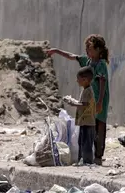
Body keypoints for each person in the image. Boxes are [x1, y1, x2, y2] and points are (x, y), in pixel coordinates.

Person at [47, 34, 110, 165]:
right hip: (90, 99)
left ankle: (98, 155)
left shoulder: (101, 64)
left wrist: (99, 102)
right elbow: (72, 56)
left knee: (100, 125)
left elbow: (103, 83)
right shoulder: (87, 61)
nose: (87, 51)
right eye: (86, 49)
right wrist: (56, 51)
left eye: (90, 49)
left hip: (99, 99)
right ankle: (89, 154)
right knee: (90, 126)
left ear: (98, 50)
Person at [65, 67, 96, 165]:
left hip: (88, 122)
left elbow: (85, 104)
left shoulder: (88, 91)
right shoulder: (85, 90)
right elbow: (82, 103)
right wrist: (73, 101)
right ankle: (81, 160)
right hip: (84, 121)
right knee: (81, 142)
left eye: (78, 79)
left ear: (85, 80)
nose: (77, 81)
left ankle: (87, 161)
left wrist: (73, 103)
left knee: (86, 143)